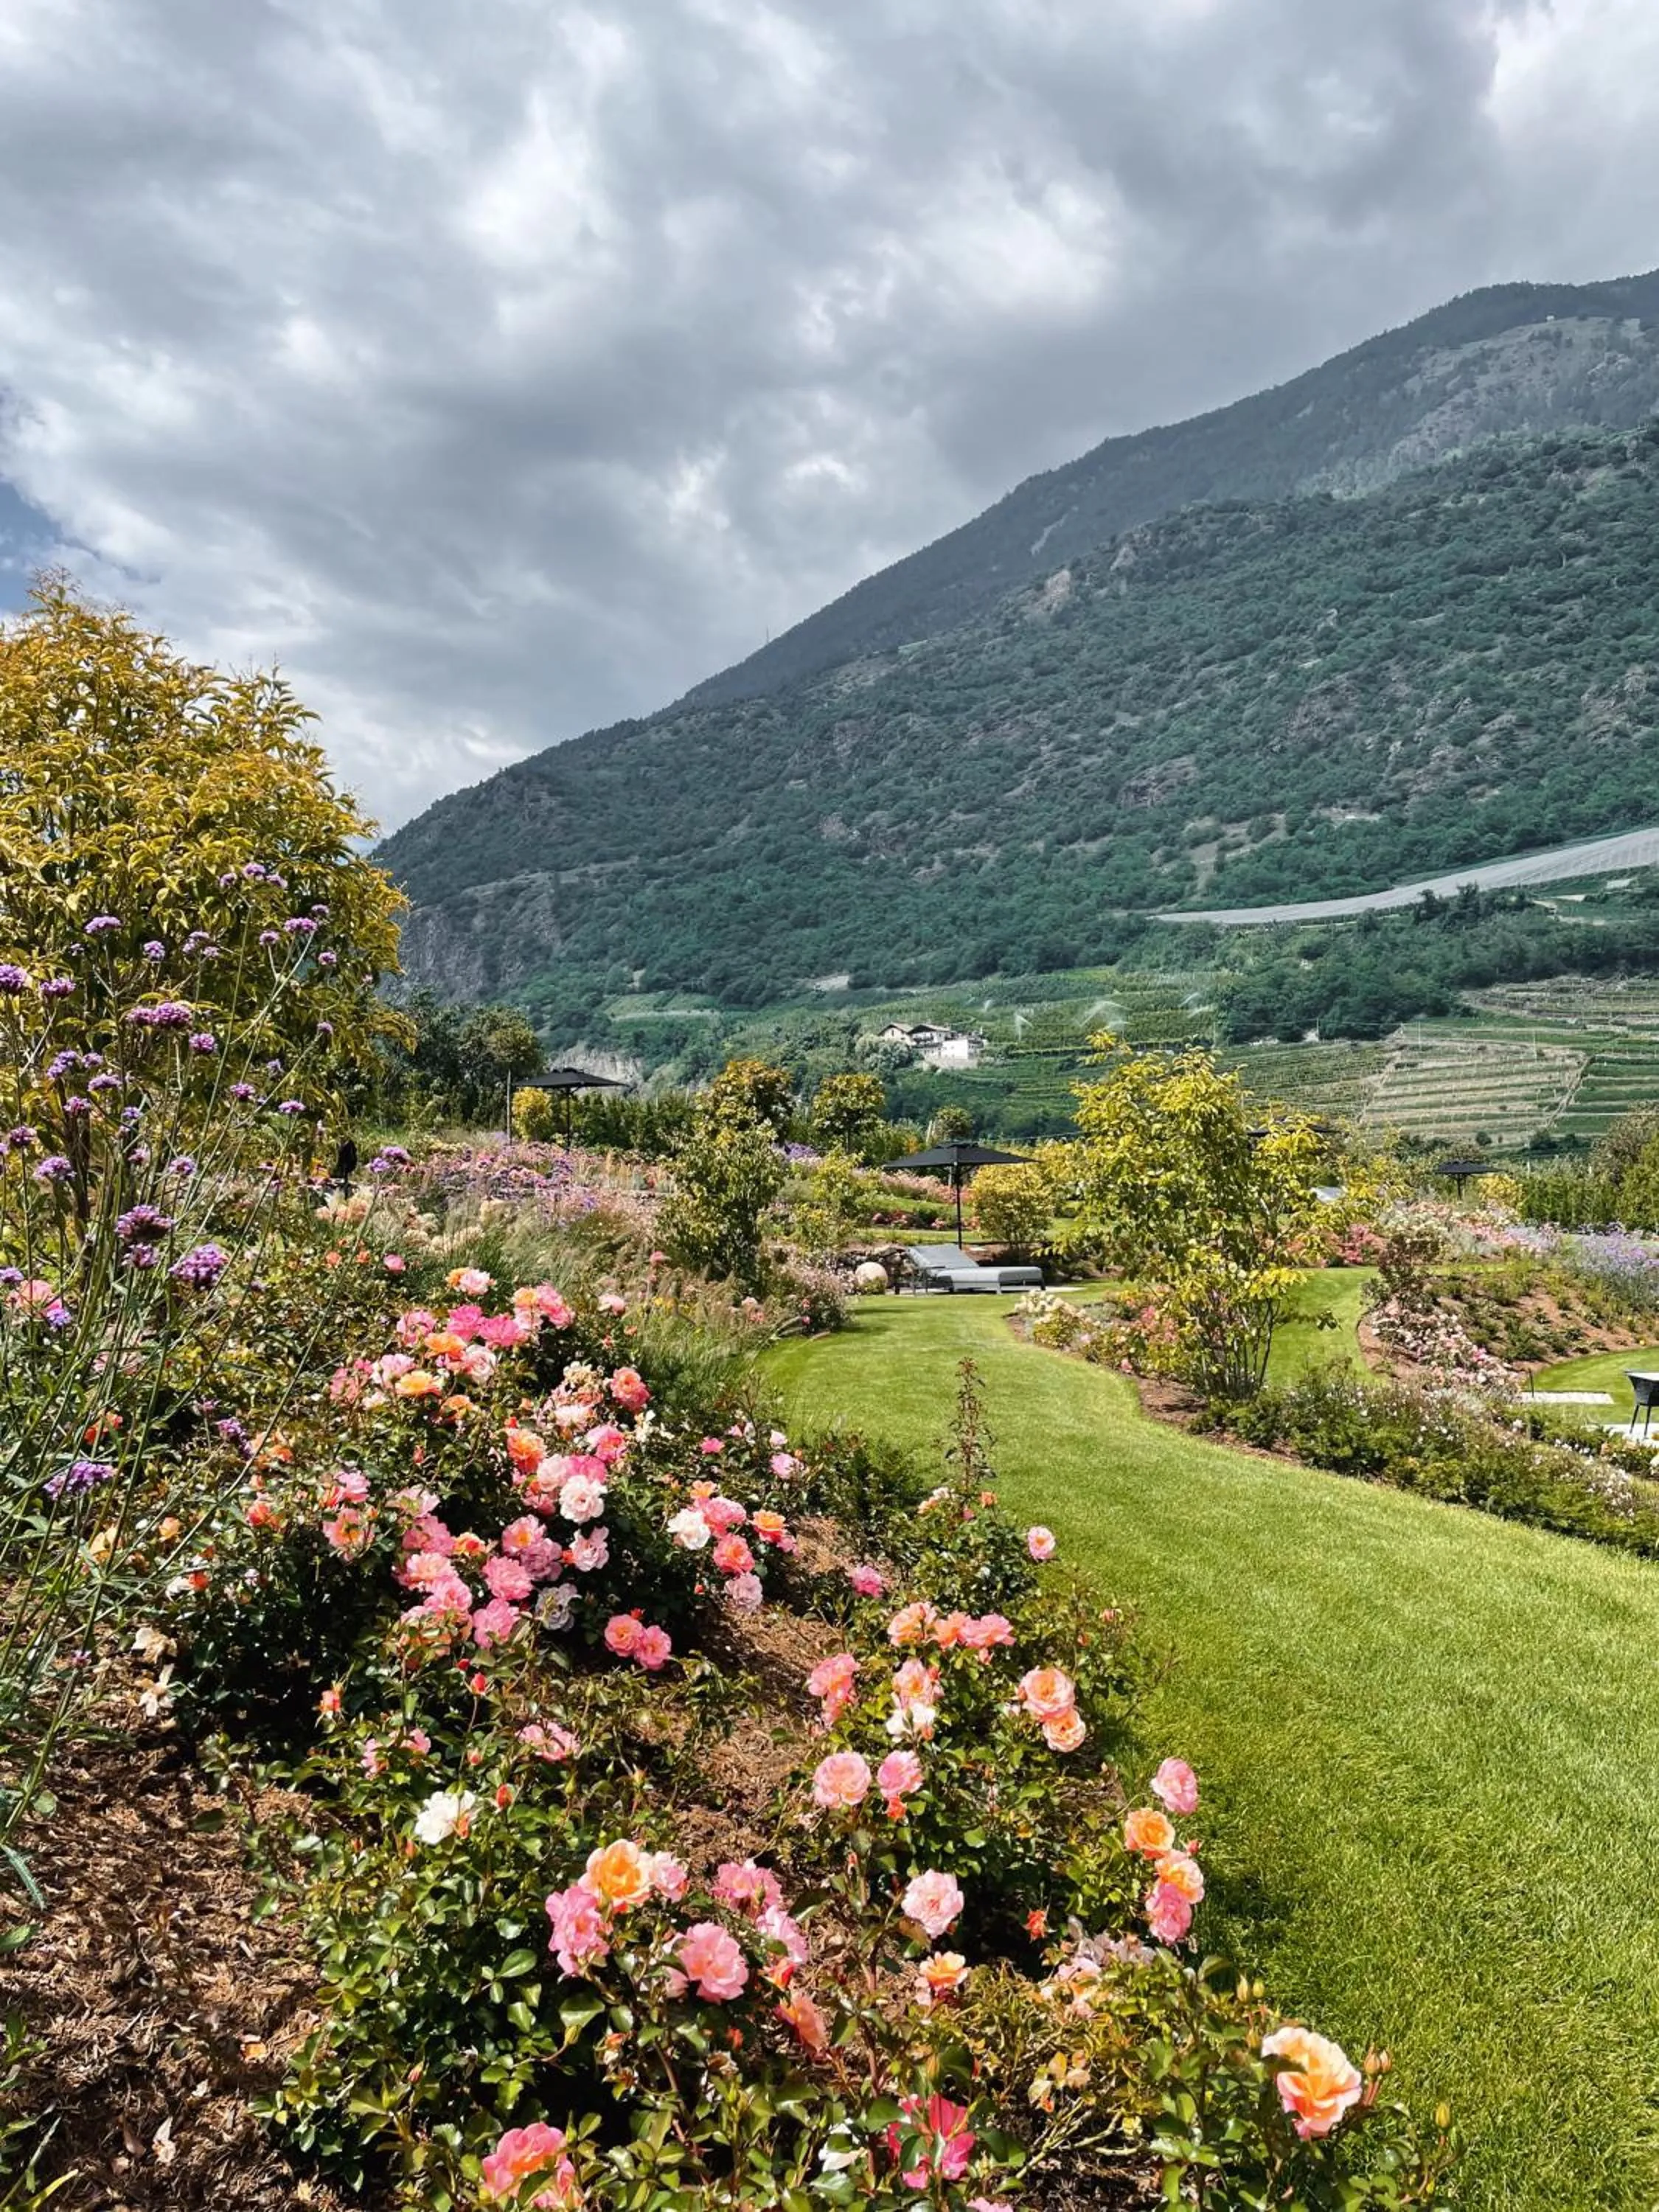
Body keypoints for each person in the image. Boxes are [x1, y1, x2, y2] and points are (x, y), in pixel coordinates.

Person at [332, 1133, 358, 1197]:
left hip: (347, 1165)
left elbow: (351, 1157)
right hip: (346, 1166)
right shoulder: (346, 1146)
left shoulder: (348, 1146)